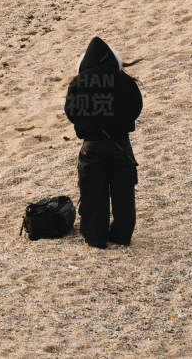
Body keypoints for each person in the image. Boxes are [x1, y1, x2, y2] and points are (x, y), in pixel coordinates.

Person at [63, 35, 143, 247]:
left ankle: (95, 237)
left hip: (91, 145)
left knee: (93, 192)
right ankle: (122, 236)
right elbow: (136, 106)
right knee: (123, 192)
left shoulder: (79, 82)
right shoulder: (124, 80)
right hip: (120, 144)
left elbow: (71, 112)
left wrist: (87, 126)